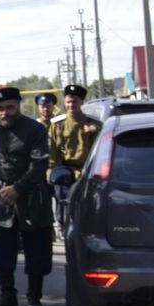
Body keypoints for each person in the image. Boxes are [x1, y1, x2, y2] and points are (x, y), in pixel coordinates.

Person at [0, 84, 54, 306]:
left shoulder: (35, 130)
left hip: (32, 195)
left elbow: (40, 164)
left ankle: (34, 295)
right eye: (0, 108)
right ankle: (7, 293)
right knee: (1, 250)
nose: (5, 112)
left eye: (10, 107)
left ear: (19, 105)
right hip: (1, 197)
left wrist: (18, 189)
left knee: (37, 251)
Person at [47, 85, 99, 233]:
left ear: (81, 102)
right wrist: (51, 170)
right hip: (65, 171)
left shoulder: (93, 124)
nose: (71, 105)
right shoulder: (58, 125)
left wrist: (95, 131)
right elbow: (53, 150)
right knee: (64, 207)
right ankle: (65, 229)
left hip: (87, 172)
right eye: (68, 102)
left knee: (87, 206)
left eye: (74, 102)